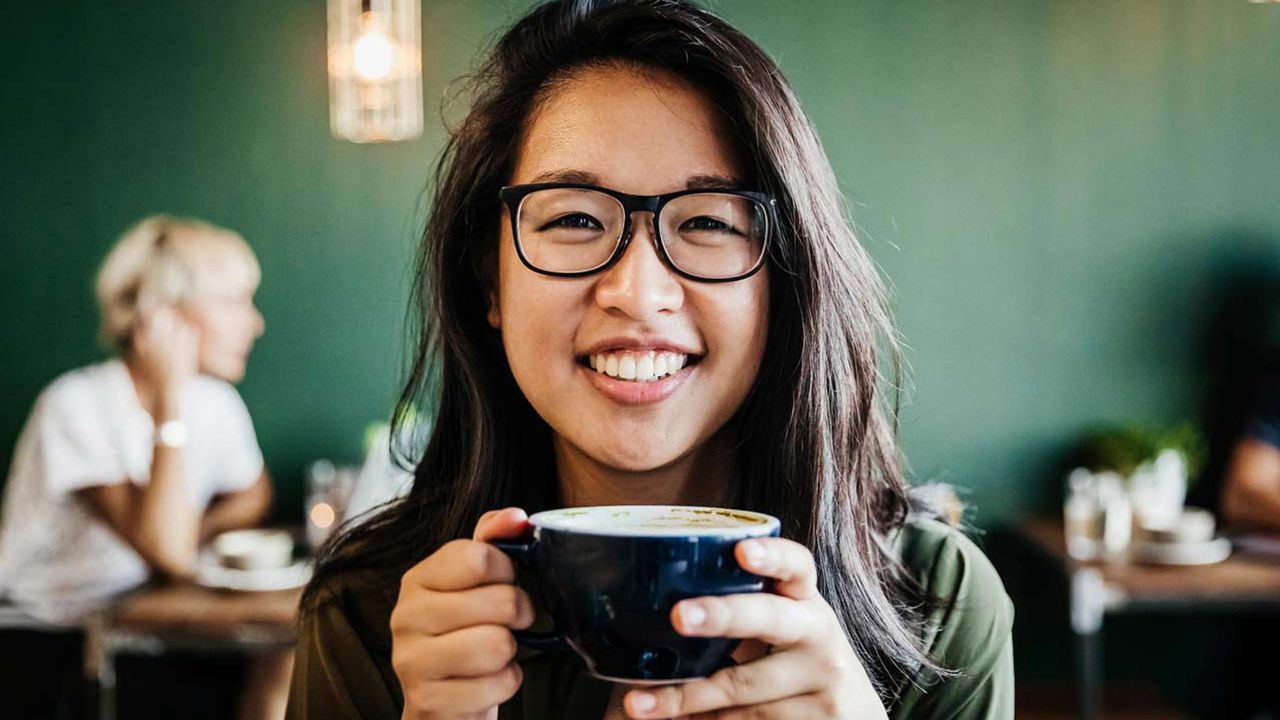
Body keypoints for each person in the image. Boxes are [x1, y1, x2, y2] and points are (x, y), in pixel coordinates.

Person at [288, 1, 1014, 719]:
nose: (637, 293)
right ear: (490, 280)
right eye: (573, 218)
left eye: (705, 222)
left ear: (784, 283)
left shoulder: (935, 602)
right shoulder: (373, 614)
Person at [0, 215, 290, 719]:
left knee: (292, 645)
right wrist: (168, 402)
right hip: (48, 646)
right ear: (162, 316)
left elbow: (254, 492)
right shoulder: (74, 404)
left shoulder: (217, 400)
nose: (255, 322)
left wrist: (198, 527)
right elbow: (170, 553)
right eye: (233, 301)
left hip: (143, 618)